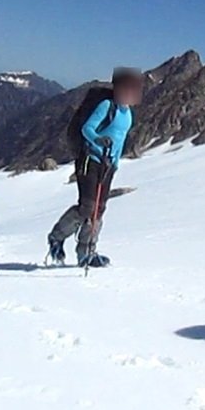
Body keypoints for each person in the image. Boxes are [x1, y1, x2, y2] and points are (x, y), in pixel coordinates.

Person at [47, 67, 144, 267]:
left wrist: (115, 163)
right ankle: (57, 237)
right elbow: (87, 129)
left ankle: (87, 253)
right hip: (90, 160)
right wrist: (99, 141)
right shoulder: (106, 106)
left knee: (99, 209)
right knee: (87, 207)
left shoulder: (127, 114)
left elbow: (120, 139)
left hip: (108, 166)